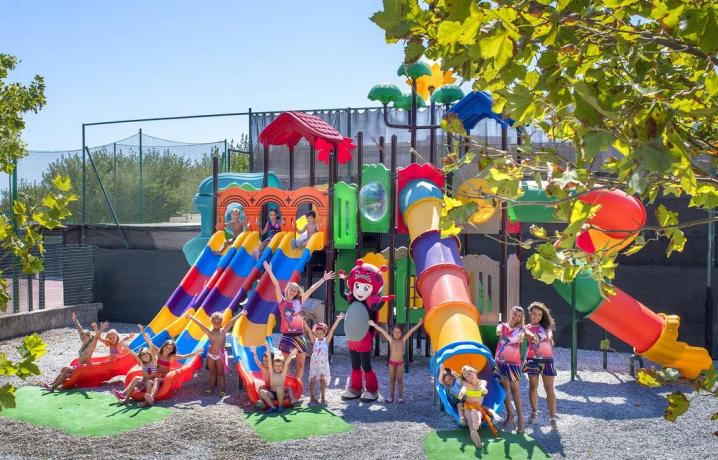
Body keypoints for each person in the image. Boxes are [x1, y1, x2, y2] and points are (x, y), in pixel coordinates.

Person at [264, 260, 335, 381]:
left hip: (299, 337)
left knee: (300, 366)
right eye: (291, 289)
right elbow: (276, 285)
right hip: (286, 337)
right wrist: (269, 271)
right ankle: (283, 386)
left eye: (295, 290)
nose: (292, 291)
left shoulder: (299, 301)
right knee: (283, 365)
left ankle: (297, 387)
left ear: (297, 293)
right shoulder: (282, 302)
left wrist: (323, 279)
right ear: (287, 290)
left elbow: (311, 289)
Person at [137, 325, 202, 406]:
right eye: (167, 347)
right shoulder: (158, 352)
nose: (168, 349)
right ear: (163, 346)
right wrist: (143, 332)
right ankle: (144, 400)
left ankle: (151, 397)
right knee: (146, 381)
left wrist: (195, 354)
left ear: (172, 350)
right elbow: (149, 342)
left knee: (156, 380)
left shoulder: (171, 357)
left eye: (170, 348)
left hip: (164, 378)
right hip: (155, 374)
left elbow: (184, 356)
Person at [44, 314, 109, 392]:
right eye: (82, 337)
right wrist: (75, 320)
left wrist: (101, 329)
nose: (83, 338)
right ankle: (52, 384)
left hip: (86, 367)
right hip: (80, 367)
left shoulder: (91, 345)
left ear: (89, 337)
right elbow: (80, 329)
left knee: (67, 369)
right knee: (64, 368)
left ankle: (53, 387)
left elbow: (96, 337)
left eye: (85, 337)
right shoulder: (84, 343)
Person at [187, 310, 245, 396]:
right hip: (210, 355)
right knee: (212, 372)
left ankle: (223, 389)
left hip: (220, 355)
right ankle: (210, 388)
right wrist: (191, 317)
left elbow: (232, 321)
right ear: (212, 322)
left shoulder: (224, 331)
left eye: (218, 322)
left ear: (221, 322)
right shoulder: (209, 332)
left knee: (220, 373)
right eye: (215, 322)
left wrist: (241, 313)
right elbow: (200, 324)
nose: (217, 324)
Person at [368, 318, 424, 403]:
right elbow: (382, 331)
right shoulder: (391, 339)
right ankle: (391, 397)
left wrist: (419, 324)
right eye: (395, 332)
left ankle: (400, 398)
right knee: (392, 380)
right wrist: (374, 324)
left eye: (399, 332)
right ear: (392, 333)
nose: (397, 334)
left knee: (400, 380)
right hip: (391, 363)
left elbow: (411, 330)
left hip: (400, 364)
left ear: (401, 333)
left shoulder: (403, 339)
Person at [523, 301, 558, 430]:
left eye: (539, 314)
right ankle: (534, 412)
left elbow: (549, 334)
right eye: (534, 314)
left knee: (549, 389)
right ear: (530, 314)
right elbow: (528, 334)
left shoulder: (546, 327)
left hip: (547, 360)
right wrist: (533, 336)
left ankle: (552, 417)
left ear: (542, 316)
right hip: (533, 360)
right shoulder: (526, 327)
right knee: (533, 387)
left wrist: (549, 338)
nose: (536, 317)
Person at [495, 305, 526, 433]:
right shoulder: (502, 326)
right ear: (510, 313)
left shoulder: (521, 330)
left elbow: (522, 337)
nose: (516, 318)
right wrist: (499, 330)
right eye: (514, 314)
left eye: (519, 316)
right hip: (501, 362)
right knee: (505, 390)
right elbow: (498, 331)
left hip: (513, 364)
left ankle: (521, 420)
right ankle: (510, 414)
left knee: (516, 392)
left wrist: (521, 337)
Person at [303, 312, 345, 404]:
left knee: (322, 380)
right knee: (312, 380)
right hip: (314, 363)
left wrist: (338, 319)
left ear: (325, 333)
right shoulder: (315, 340)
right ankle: (312, 397)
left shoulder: (326, 341)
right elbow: (309, 331)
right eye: (317, 333)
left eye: (321, 333)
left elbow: (333, 330)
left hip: (323, 364)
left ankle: (323, 397)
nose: (319, 335)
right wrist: (303, 321)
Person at [459, 365, 490, 449]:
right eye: (466, 376)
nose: (469, 376)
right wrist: (462, 392)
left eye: (470, 373)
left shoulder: (482, 382)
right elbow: (463, 388)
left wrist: (483, 390)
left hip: (478, 407)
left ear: (475, 371)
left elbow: (483, 387)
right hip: (468, 406)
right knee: (470, 424)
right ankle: (478, 443)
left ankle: (477, 423)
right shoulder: (466, 383)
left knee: (479, 415)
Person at [259, 347, 298, 412]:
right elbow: (269, 358)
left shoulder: (282, 374)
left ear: (282, 367)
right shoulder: (271, 372)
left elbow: (286, 363)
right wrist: (267, 347)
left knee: (279, 388)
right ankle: (272, 407)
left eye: (280, 366)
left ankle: (280, 406)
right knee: (262, 392)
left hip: (281, 394)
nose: (277, 367)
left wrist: (291, 355)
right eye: (276, 366)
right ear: (273, 366)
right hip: (273, 394)